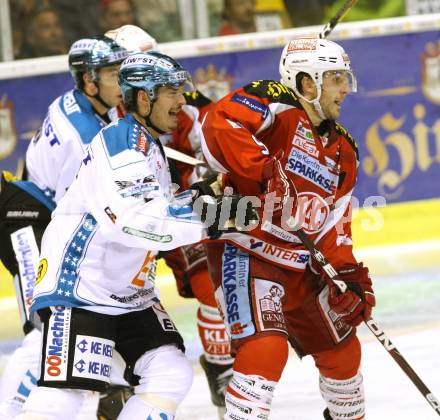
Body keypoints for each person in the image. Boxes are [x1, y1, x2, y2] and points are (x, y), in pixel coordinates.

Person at [18, 50, 217, 420]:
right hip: (83, 287)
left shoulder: (145, 141)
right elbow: (134, 218)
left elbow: (157, 206)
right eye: (172, 92)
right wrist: (211, 214)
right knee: (67, 395)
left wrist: (210, 200)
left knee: (168, 372)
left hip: (125, 293)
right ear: (144, 97)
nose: (181, 100)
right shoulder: (122, 141)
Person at [200, 37, 376, 419]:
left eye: (344, 78)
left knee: (345, 355)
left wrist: (347, 275)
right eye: (335, 78)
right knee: (267, 348)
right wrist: (263, 169)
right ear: (307, 82)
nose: (345, 88)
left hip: (302, 264)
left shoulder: (345, 149)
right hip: (246, 249)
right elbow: (221, 121)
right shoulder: (275, 102)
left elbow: (335, 225)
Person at [0, 27, 156, 420]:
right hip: (28, 220)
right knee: (47, 327)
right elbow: (96, 208)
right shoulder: (83, 135)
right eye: (111, 73)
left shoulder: (86, 107)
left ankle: (105, 390)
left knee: (66, 318)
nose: (120, 81)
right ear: (89, 80)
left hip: (40, 213)